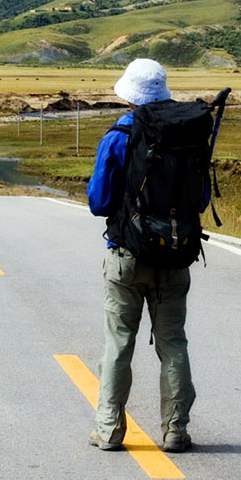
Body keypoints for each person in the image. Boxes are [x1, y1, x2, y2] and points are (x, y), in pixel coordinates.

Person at [87, 58, 196, 454]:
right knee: (173, 344)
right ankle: (175, 431)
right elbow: (199, 199)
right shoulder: (186, 137)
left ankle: (109, 430)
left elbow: (98, 203)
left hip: (126, 256)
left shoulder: (117, 136)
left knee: (118, 344)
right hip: (175, 254)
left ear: (128, 95)